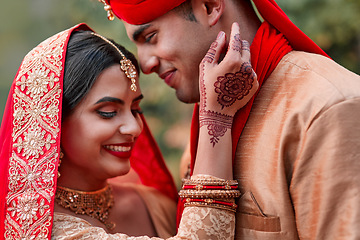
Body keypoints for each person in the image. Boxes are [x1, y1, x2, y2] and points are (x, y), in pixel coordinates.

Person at [96, 0, 360, 239]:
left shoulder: (327, 109)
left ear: (210, 7)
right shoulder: (211, 116)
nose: (145, 64)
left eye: (151, 36)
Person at [0, 22, 258, 239]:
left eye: (136, 109)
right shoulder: (41, 229)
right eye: (108, 112)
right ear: (54, 120)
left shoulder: (151, 203)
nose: (134, 128)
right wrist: (216, 118)